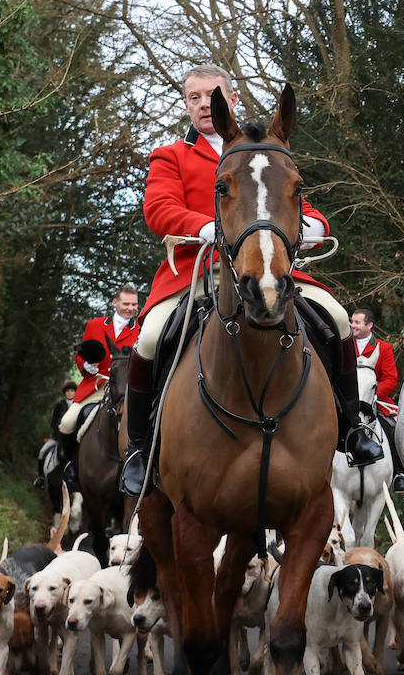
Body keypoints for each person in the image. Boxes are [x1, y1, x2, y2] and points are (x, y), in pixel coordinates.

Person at [120, 64, 382, 496]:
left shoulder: (264, 152)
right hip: (199, 270)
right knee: (148, 337)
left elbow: (295, 201)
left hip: (270, 264)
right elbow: (158, 209)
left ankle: (352, 427)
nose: (204, 104)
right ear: (187, 105)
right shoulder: (172, 156)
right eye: (194, 97)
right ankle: (140, 448)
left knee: (335, 317)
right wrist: (206, 227)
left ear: (232, 99)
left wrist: (312, 225)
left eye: (212, 95)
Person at [55, 284, 141, 489]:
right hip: (96, 386)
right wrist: (86, 366)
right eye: (126, 304)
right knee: (67, 423)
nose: (130, 308)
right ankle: (72, 467)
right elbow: (80, 355)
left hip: (127, 390)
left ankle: (141, 470)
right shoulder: (94, 325)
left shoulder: (140, 330)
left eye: (134, 305)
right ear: (115, 303)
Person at [349, 308, 404, 492]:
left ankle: (399, 473)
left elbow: (391, 379)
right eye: (352, 321)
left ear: (369, 325)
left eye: (357, 322)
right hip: (349, 400)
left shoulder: (383, 347)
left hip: (375, 399)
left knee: (392, 427)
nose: (352, 325)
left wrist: (372, 397)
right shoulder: (345, 346)